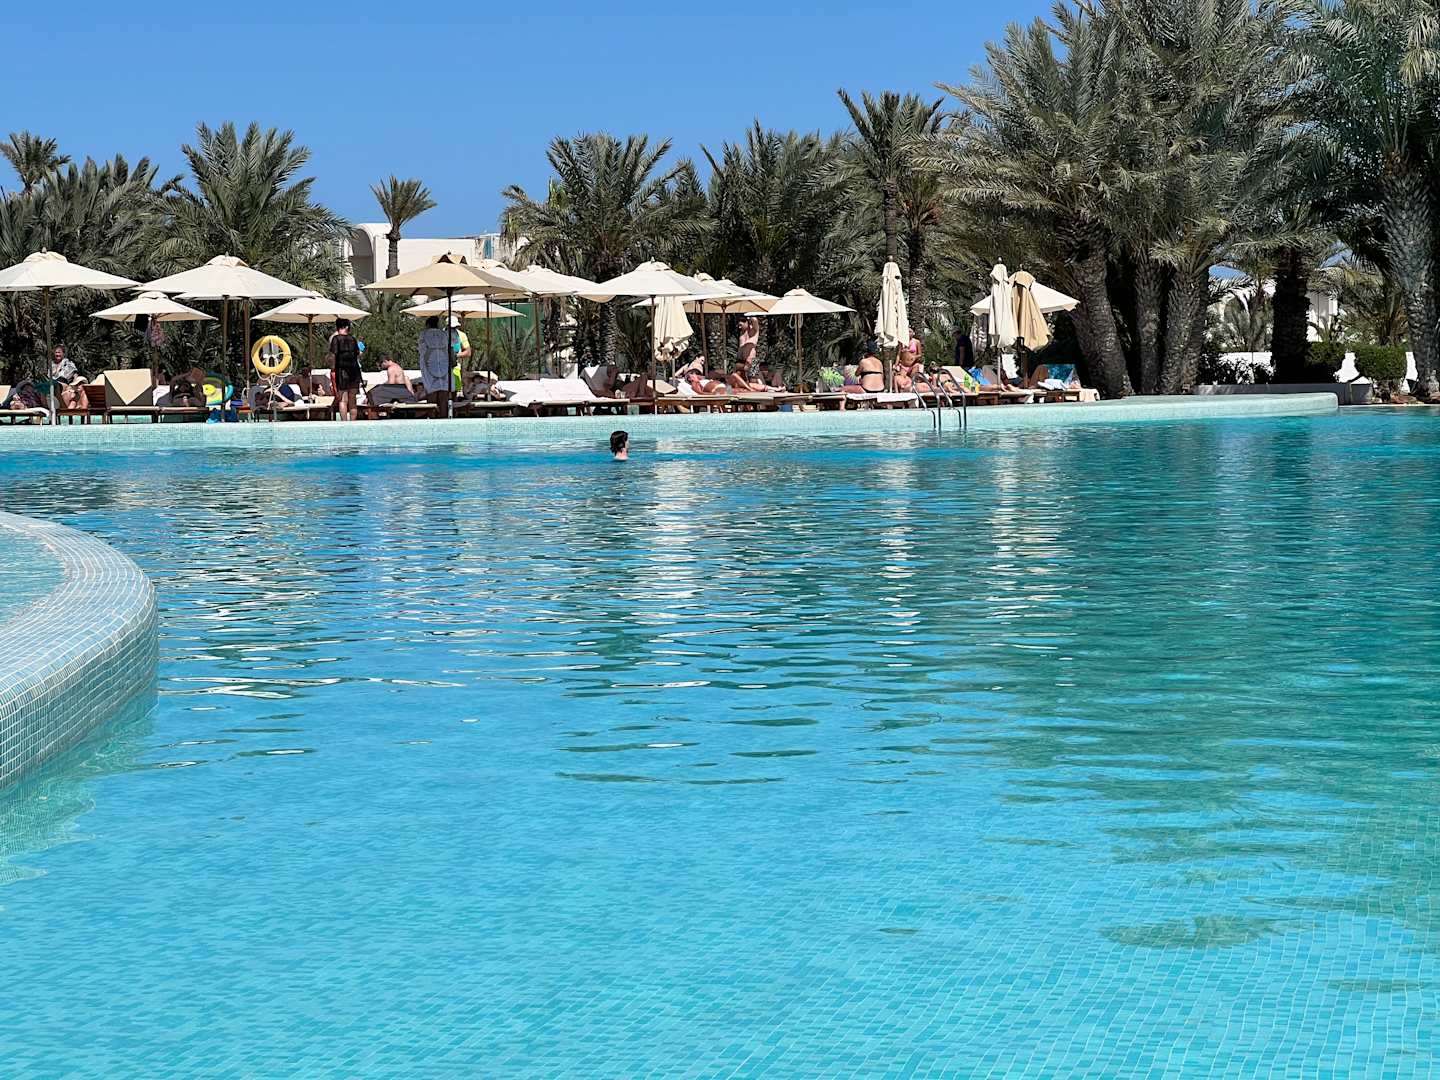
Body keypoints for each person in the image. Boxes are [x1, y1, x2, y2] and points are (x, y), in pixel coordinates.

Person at [329, 318, 363, 421]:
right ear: (347, 327)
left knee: (343, 400)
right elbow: (357, 354)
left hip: (342, 371)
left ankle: (344, 423)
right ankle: (353, 423)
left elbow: (333, 355)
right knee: (352, 399)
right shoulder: (353, 339)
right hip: (354, 371)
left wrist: (333, 368)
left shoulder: (336, 339)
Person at [418, 316, 452, 417]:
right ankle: (443, 417)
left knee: (431, 393)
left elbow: (421, 349)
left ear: (428, 324)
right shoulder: (444, 334)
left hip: (429, 365)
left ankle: (432, 417)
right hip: (444, 365)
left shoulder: (424, 335)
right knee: (443, 395)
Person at [50, 345, 88, 412]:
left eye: (59, 352)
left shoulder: (68, 363)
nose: (57, 354)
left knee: (55, 385)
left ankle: (63, 408)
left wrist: (73, 386)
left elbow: (75, 375)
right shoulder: (51, 364)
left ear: (63, 353)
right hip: (51, 382)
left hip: (63, 383)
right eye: (56, 352)